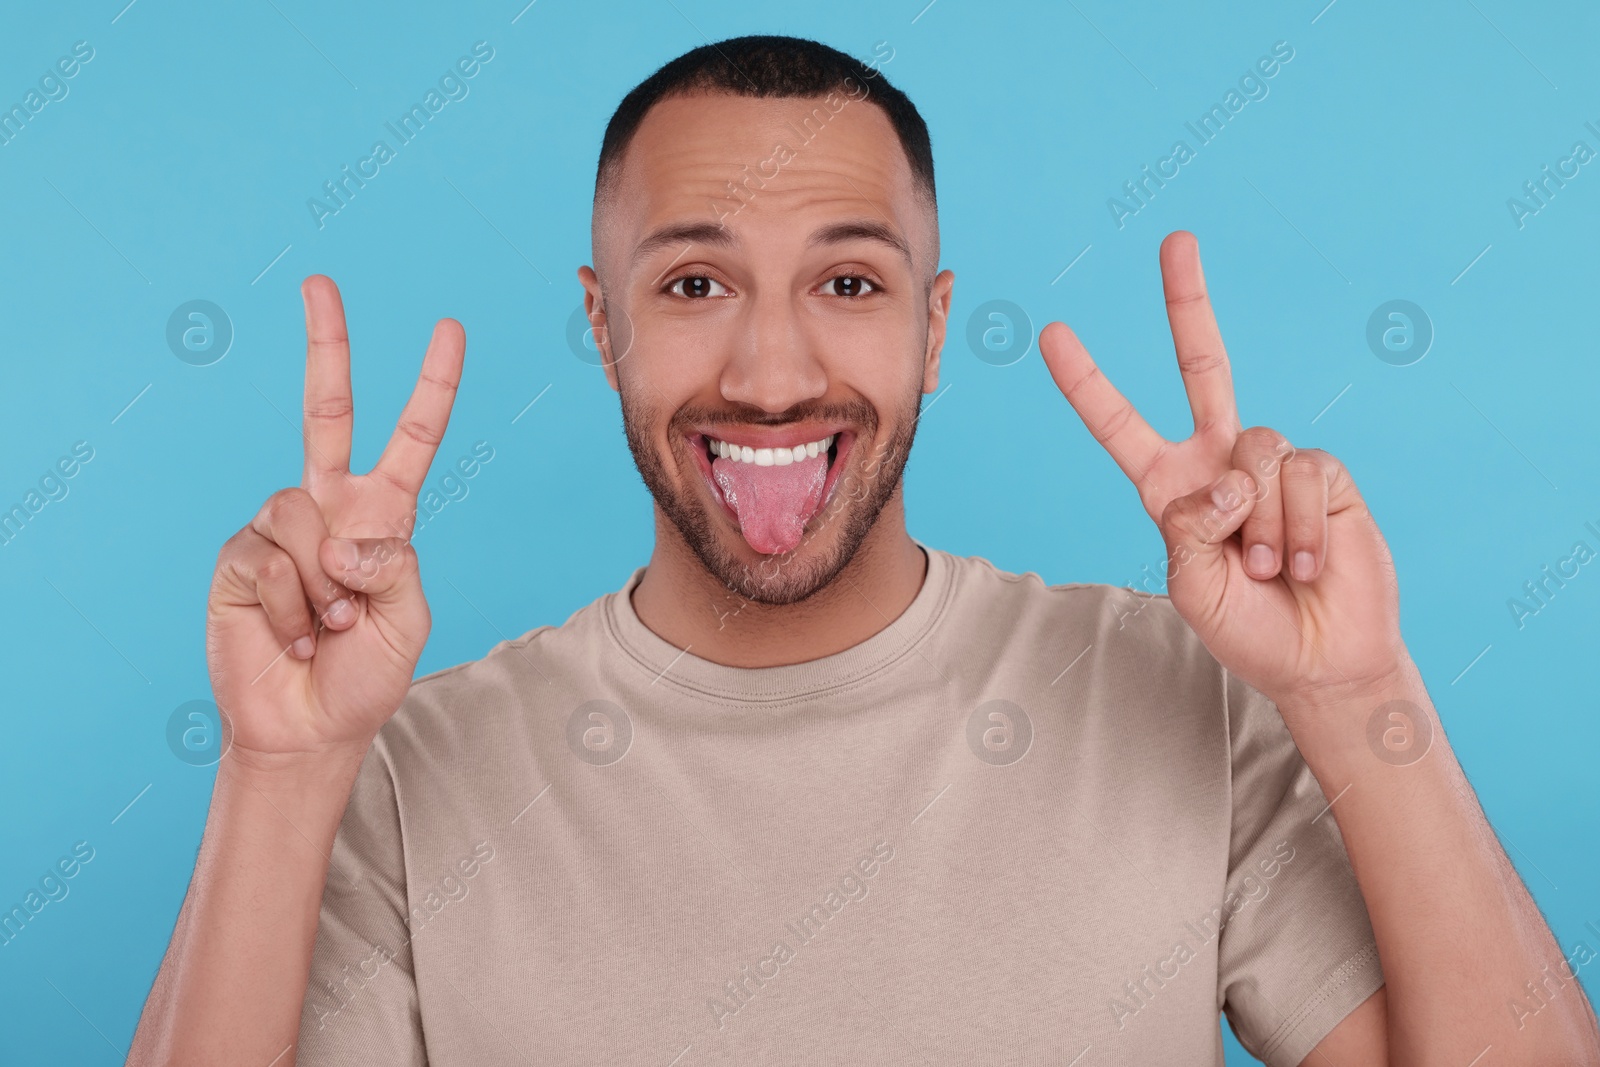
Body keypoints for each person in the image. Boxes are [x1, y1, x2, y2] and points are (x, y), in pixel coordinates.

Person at [128, 34, 1599, 1066]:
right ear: (602, 323)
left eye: (848, 279)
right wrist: (279, 770)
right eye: (695, 280)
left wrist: (1357, 694)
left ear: (938, 328)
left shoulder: (1179, 696)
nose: (772, 372)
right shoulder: (405, 778)